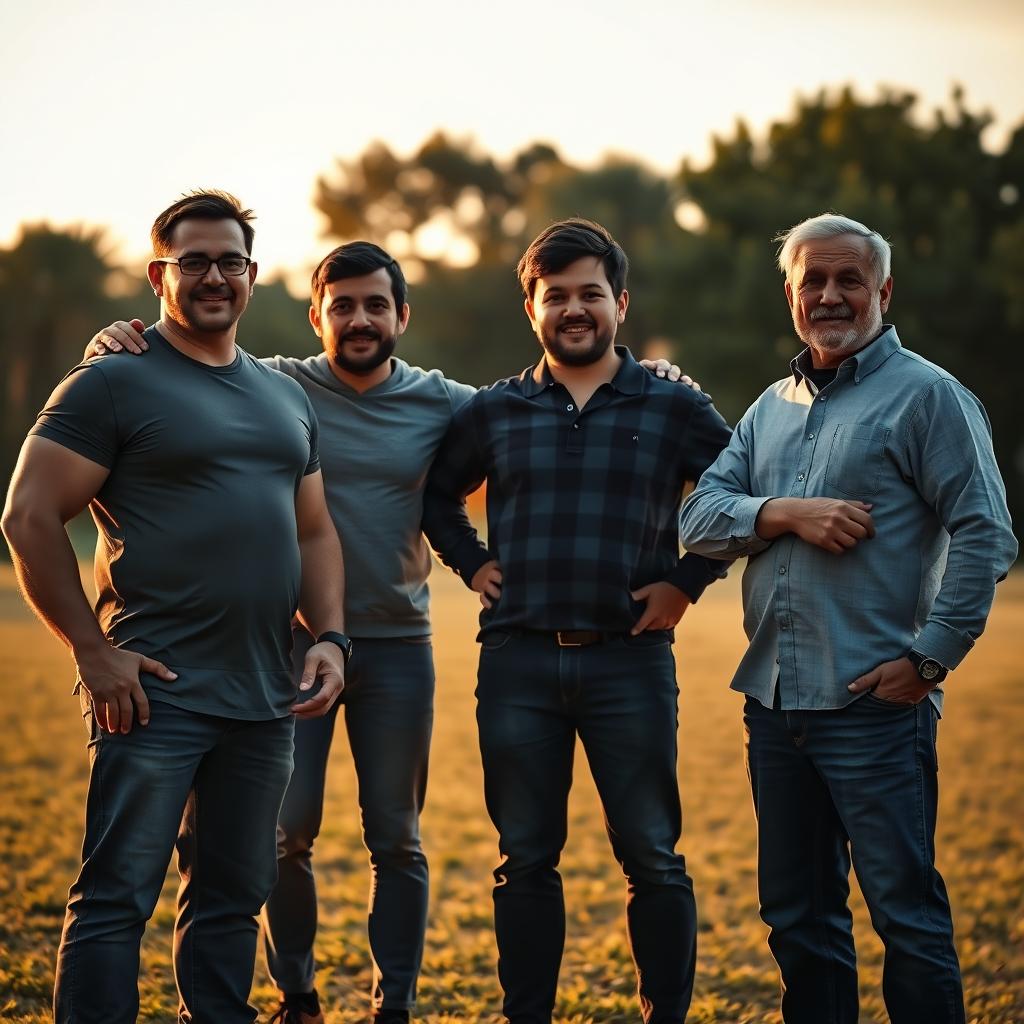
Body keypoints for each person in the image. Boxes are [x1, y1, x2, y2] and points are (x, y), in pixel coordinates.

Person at [87, 241, 696, 1024]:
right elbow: (188, 365)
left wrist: (659, 377)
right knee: (283, 838)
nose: (361, 319)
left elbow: (554, 395)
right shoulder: (272, 386)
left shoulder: (451, 401)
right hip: (286, 646)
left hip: (399, 648)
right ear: (317, 316)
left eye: (377, 305)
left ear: (402, 315)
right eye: (342, 305)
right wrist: (113, 342)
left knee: (398, 840)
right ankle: (297, 992)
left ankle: (396, 1006)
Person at [1, 191, 349, 1024]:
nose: (213, 276)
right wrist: (92, 651)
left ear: (254, 275)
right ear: (159, 274)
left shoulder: (284, 396)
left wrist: (331, 637)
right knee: (118, 897)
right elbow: (28, 515)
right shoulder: (111, 382)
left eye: (230, 260)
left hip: (265, 696)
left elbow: (315, 533)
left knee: (232, 897)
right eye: (192, 261)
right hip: (155, 691)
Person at [679, 213, 1017, 1024]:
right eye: (813, 283)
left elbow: (986, 531)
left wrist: (931, 659)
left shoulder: (930, 396)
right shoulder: (769, 407)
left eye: (848, 280)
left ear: (883, 291)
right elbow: (699, 521)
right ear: (791, 295)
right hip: (774, 704)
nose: (830, 296)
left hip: (876, 704)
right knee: (799, 922)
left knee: (907, 918)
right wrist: (787, 513)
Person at [421, 218, 733, 1024]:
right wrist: (471, 561)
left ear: (619, 303)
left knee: (653, 859)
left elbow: (738, 493)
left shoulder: (673, 405)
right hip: (518, 665)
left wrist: (687, 580)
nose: (574, 308)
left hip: (629, 662)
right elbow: (436, 496)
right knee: (524, 860)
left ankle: (666, 1012)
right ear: (532, 307)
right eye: (555, 295)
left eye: (590, 292)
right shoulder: (496, 410)